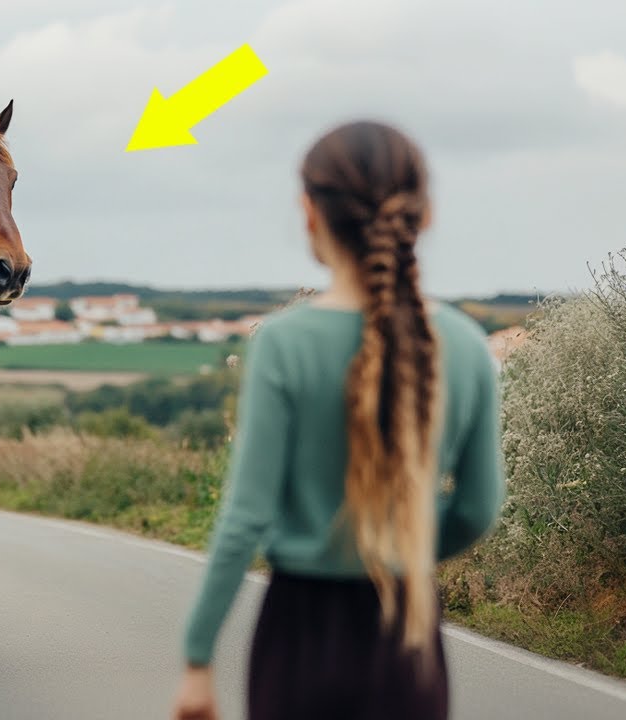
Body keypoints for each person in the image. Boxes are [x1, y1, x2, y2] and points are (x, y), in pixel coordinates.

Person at [172, 121, 505, 720]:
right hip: (409, 632)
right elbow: (479, 509)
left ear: (309, 214)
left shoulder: (282, 342)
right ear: (423, 216)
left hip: (297, 635)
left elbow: (245, 515)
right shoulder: (464, 344)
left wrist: (198, 657)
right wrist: (408, 544)